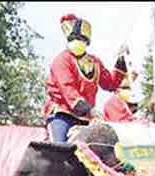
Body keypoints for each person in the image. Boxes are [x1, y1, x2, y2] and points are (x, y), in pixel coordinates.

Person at [44, 13, 127, 142]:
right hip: (63, 115)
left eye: (81, 39)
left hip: (87, 119)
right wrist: (90, 110)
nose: (77, 41)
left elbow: (110, 84)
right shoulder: (61, 60)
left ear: (87, 42)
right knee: (59, 149)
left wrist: (121, 61)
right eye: (73, 38)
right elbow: (68, 89)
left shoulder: (95, 62)